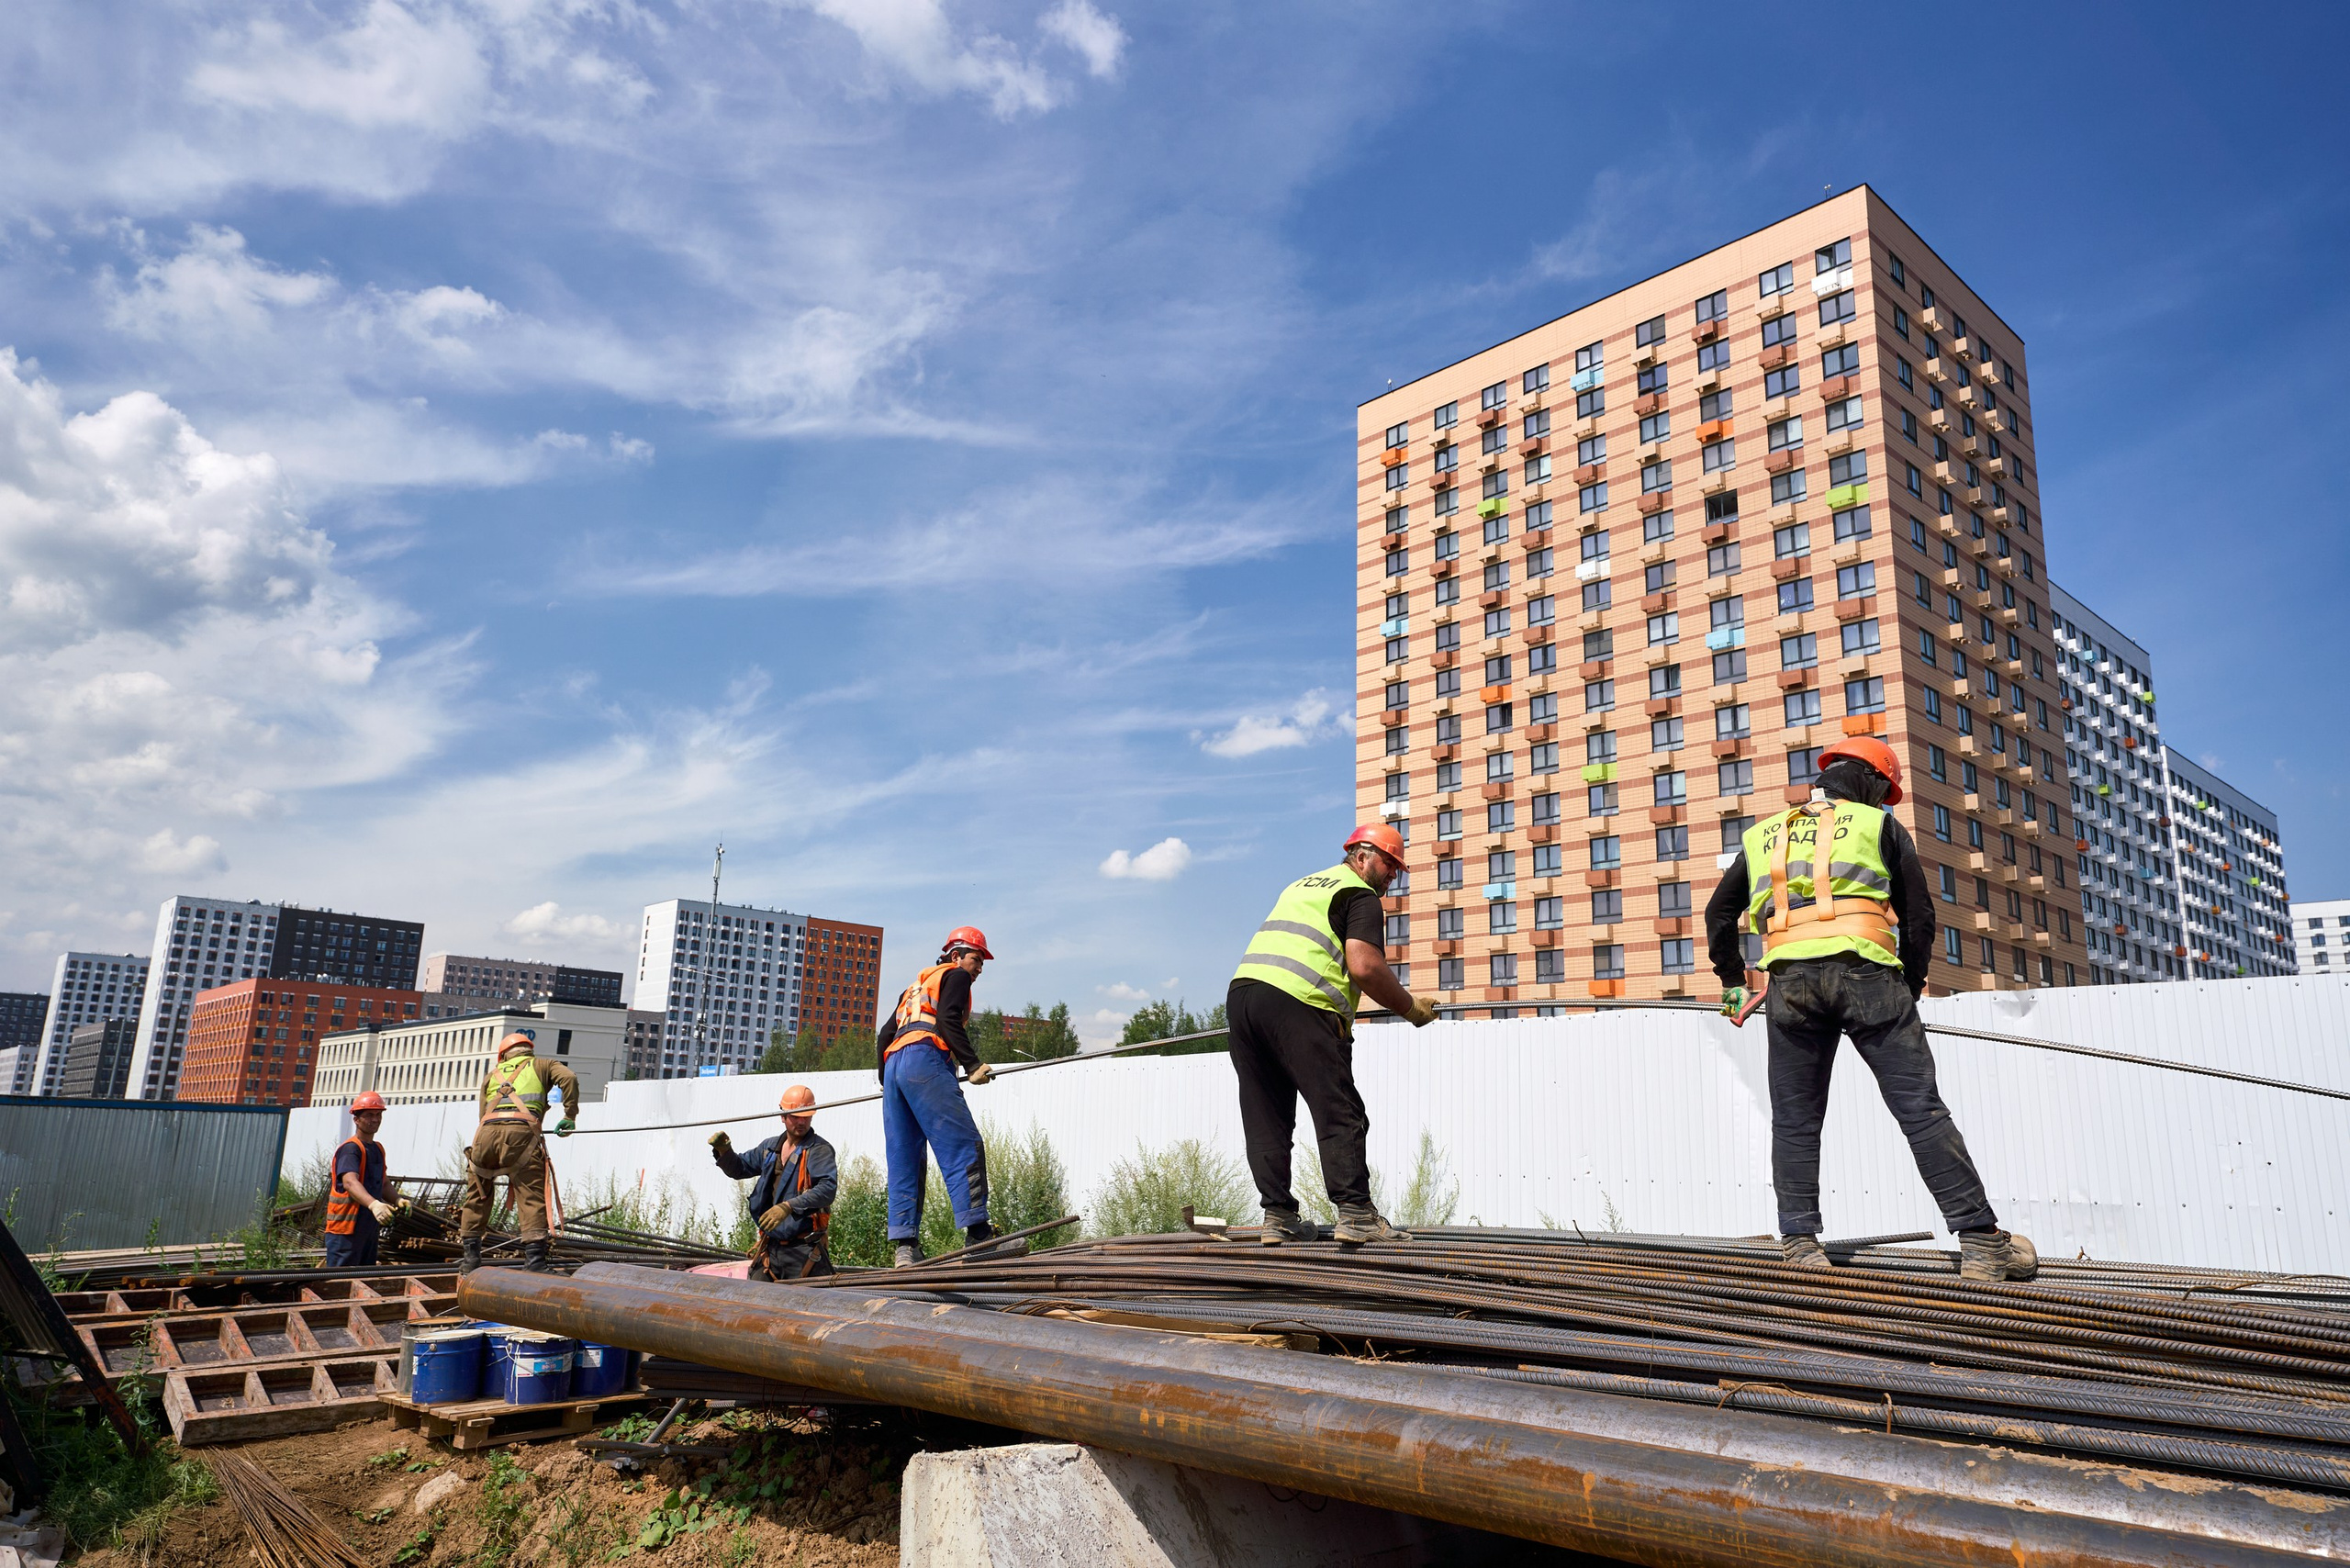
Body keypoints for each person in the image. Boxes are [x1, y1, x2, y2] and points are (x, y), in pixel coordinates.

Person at [1702, 735, 2037, 1282]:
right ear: (1873, 780)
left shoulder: (1764, 834)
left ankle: (1800, 1244)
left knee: (1795, 1120)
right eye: (1885, 792)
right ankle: (1980, 1243)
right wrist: (1911, 981)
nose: (1884, 802)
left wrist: (1733, 981)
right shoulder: (1877, 826)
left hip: (1789, 986)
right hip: (1868, 978)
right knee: (1920, 1110)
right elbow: (1919, 914)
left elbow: (1720, 914)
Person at [1227, 823, 1439, 1247]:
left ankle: (1278, 1217)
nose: (1392, 876)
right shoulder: (1358, 894)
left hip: (1243, 998)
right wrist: (1410, 1007)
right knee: (1339, 1110)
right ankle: (1357, 1214)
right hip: (1299, 1002)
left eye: (1397, 869)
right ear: (1360, 856)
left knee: (1266, 1115)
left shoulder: (1302, 885)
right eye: (1388, 863)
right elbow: (1365, 966)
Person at [875, 926, 1007, 1269]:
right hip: (925, 1058)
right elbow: (948, 1021)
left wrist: (887, 1082)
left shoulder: (913, 988)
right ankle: (979, 1237)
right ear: (955, 956)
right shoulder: (956, 976)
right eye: (977, 959)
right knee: (962, 1143)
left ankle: (905, 1247)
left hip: (894, 1067)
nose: (979, 968)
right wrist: (973, 1064)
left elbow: (883, 1037)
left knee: (905, 1156)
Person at [458, 1028, 580, 1274]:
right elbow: (569, 1078)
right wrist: (570, 1115)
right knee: (531, 1195)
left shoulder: (491, 1075)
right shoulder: (543, 1065)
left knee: (477, 1194)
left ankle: (470, 1261)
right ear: (528, 1052)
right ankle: (534, 1263)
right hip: (521, 1135)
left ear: (503, 1056)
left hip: (485, 1137)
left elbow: (482, 1115)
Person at [710, 1084, 838, 1281]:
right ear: (783, 1115)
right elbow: (740, 1168)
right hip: (771, 1248)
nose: (802, 1121)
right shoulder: (770, 1148)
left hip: (804, 1251)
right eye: (796, 1116)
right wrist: (724, 1152)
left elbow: (827, 1189)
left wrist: (788, 1207)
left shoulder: (818, 1150)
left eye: (806, 1116)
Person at [324, 1091, 400, 1267]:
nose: (375, 1119)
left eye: (378, 1114)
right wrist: (374, 1204)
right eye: (369, 1115)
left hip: (367, 1230)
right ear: (356, 1119)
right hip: (345, 1233)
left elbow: (384, 1183)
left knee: (363, 1280)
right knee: (340, 1284)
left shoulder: (377, 1149)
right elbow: (350, 1182)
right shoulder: (351, 1149)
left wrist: (398, 1199)